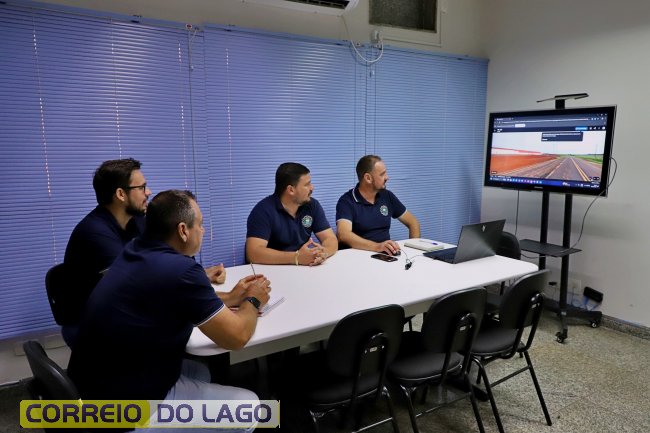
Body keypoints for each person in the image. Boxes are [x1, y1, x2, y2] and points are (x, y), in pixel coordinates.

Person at [68, 190, 271, 432]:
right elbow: (237, 337)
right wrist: (253, 300)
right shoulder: (182, 270)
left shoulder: (136, 249)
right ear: (183, 230)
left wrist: (230, 298)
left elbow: (171, 295)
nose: (203, 231)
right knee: (250, 407)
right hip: (125, 412)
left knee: (199, 372)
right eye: (200, 225)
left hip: (93, 388)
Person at [62, 159, 230, 347]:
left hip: (128, 312)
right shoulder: (95, 233)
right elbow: (143, 287)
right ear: (120, 194)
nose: (148, 192)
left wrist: (201, 275)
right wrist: (227, 298)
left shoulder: (137, 220)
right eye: (141, 187)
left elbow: (172, 257)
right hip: (96, 327)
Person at [246, 162, 337, 266]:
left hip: (303, 268)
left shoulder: (312, 205)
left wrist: (323, 252)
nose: (312, 188)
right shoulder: (263, 211)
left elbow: (330, 238)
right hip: (273, 269)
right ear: (291, 190)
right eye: (307, 184)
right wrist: (296, 257)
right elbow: (253, 253)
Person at [336, 155, 420, 255]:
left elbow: (413, 223)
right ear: (368, 178)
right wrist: (377, 247)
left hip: (385, 256)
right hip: (357, 258)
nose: (387, 177)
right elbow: (343, 235)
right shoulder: (347, 201)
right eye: (382, 174)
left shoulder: (387, 196)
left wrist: (413, 252)